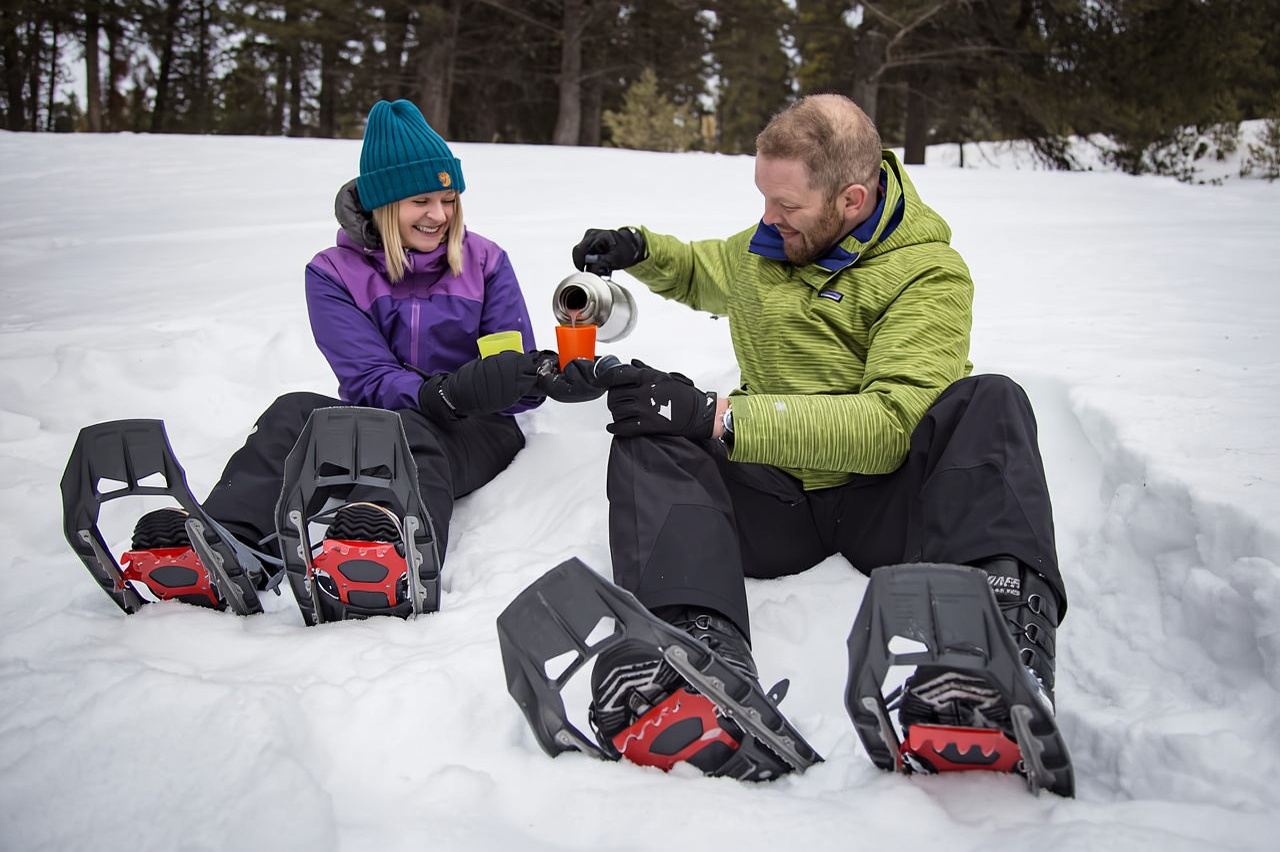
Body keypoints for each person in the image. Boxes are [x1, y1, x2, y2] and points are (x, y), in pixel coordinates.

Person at [571, 94, 1065, 778]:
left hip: (886, 504)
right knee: (648, 419)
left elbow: (891, 427)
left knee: (992, 402)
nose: (768, 220)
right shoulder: (767, 248)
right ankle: (694, 652)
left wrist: (719, 416)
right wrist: (639, 249)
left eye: (786, 206)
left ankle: (990, 647)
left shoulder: (927, 274)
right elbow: (700, 270)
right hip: (778, 504)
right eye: (763, 200)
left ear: (852, 199)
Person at [115, 99, 600, 619]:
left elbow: (509, 367)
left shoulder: (484, 262)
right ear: (383, 205)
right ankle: (224, 548)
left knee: (410, 432)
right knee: (293, 413)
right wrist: (434, 391)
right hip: (379, 420)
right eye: (421, 200)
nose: (439, 215)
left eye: (449, 199)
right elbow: (366, 374)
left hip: (477, 430)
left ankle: (392, 555)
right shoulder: (333, 273)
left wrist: (531, 378)